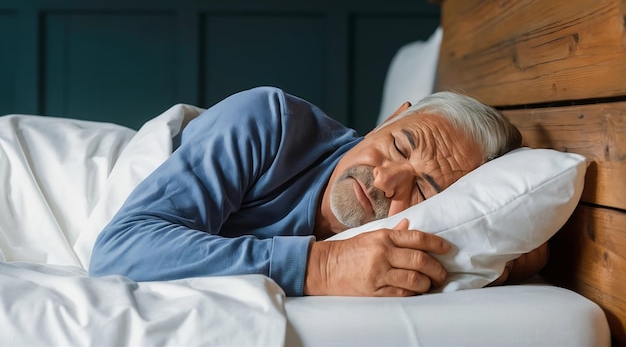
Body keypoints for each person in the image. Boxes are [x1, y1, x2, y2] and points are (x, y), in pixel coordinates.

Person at [89, 86, 545, 297]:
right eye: (398, 145)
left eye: (425, 189)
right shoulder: (268, 122)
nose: (386, 180)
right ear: (389, 119)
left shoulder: (418, 234)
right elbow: (119, 251)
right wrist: (320, 267)